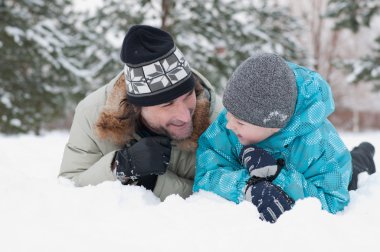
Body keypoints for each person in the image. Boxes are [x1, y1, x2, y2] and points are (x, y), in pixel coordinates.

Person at [193, 52, 376, 223]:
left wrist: (278, 176)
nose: (228, 124)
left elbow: (333, 203)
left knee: (355, 167)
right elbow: (206, 174)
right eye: (228, 113)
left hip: (334, 173)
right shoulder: (233, 120)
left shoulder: (322, 146)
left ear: (274, 126)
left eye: (240, 122)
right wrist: (246, 187)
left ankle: (365, 152)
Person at [59, 25, 222, 201]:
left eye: (188, 95)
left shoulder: (219, 120)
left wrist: (155, 182)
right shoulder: (91, 115)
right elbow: (69, 188)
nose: (184, 116)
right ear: (137, 106)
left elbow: (222, 195)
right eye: (168, 104)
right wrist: (120, 166)